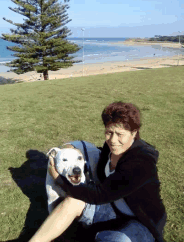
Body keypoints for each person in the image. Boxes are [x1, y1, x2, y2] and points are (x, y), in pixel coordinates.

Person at [29, 102, 167, 242]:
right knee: (73, 202)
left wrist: (59, 179)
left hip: (140, 220)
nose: (113, 140)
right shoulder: (110, 148)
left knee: (117, 239)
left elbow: (99, 194)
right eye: (109, 132)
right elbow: (98, 153)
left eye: (119, 134)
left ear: (134, 133)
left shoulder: (141, 162)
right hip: (111, 208)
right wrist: (74, 146)